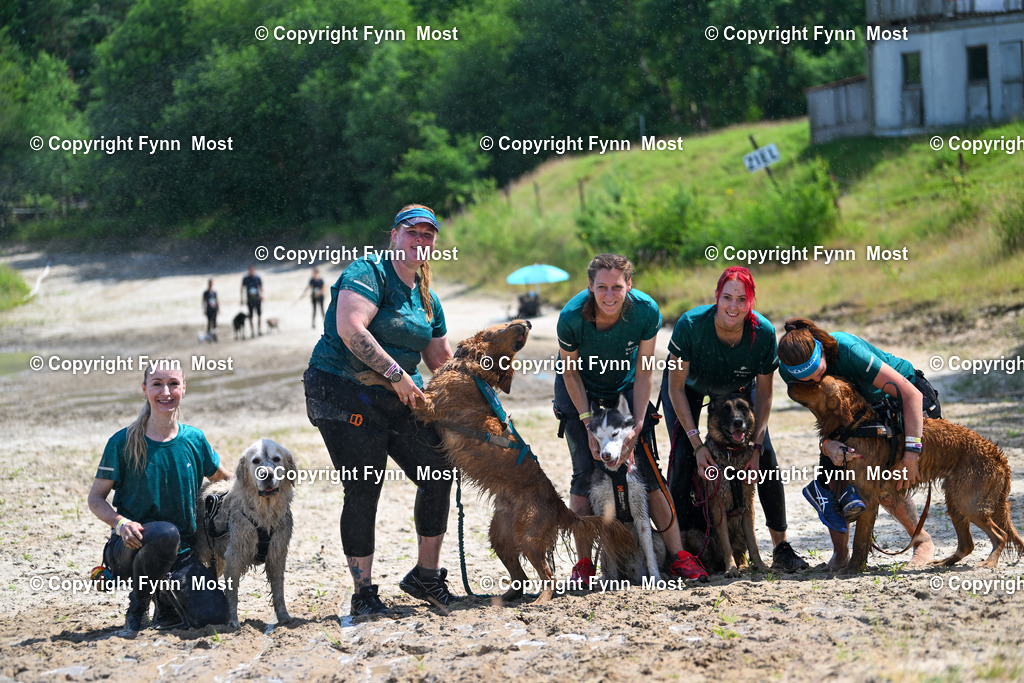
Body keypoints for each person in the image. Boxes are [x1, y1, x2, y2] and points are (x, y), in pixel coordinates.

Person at [303, 204, 457, 616]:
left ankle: (425, 575)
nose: (420, 241)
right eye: (413, 233)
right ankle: (364, 592)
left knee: (438, 469)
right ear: (394, 235)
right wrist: (396, 374)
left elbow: (441, 360)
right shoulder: (367, 272)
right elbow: (351, 329)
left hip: (396, 395)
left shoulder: (427, 298)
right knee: (366, 483)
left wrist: (476, 398)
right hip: (340, 389)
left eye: (428, 235)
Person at [555, 253, 704, 583]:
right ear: (590, 287)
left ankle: (679, 555)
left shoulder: (646, 311)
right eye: (602, 288)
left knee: (647, 471)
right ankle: (584, 565)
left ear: (629, 286)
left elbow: (644, 370)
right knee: (584, 472)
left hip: (625, 386)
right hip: (579, 388)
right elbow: (570, 375)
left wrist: (637, 426)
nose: (610, 296)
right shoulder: (570, 317)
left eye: (617, 288)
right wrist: (587, 424)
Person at [661, 266, 809, 573]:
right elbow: (674, 389)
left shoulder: (764, 333)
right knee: (684, 460)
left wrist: (754, 448)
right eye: (727, 297)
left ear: (751, 301)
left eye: (742, 299)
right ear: (717, 297)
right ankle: (685, 553)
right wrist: (698, 445)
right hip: (688, 387)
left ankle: (781, 546)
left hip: (737, 389)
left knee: (766, 456)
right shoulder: (690, 325)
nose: (733, 306)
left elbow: (766, 396)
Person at [778, 317, 942, 571]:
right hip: (856, 415)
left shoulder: (847, 349)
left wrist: (911, 454)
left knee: (879, 475)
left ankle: (922, 540)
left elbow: (911, 394)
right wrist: (828, 448)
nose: (815, 381)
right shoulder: (789, 370)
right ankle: (840, 553)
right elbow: (826, 422)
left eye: (819, 373)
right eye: (808, 379)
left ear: (821, 348)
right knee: (831, 472)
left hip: (903, 402)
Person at [87, 361, 233, 633]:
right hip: (129, 550)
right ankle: (138, 607)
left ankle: (165, 603)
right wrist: (120, 524)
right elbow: (95, 499)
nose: (166, 392)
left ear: (184, 389)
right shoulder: (122, 442)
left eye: (173, 384)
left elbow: (225, 480)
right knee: (165, 534)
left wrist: (260, 493)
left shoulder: (194, 439)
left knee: (215, 617)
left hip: (182, 554)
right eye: (157, 384)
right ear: (145, 389)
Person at [241, 265, 263, 337]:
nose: (251, 271)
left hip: (257, 299)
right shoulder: (246, 278)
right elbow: (242, 288)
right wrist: (242, 298)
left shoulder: (257, 278)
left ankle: (259, 330)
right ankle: (252, 331)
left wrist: (262, 295)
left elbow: (261, 287)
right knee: (251, 316)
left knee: (259, 315)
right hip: (250, 300)